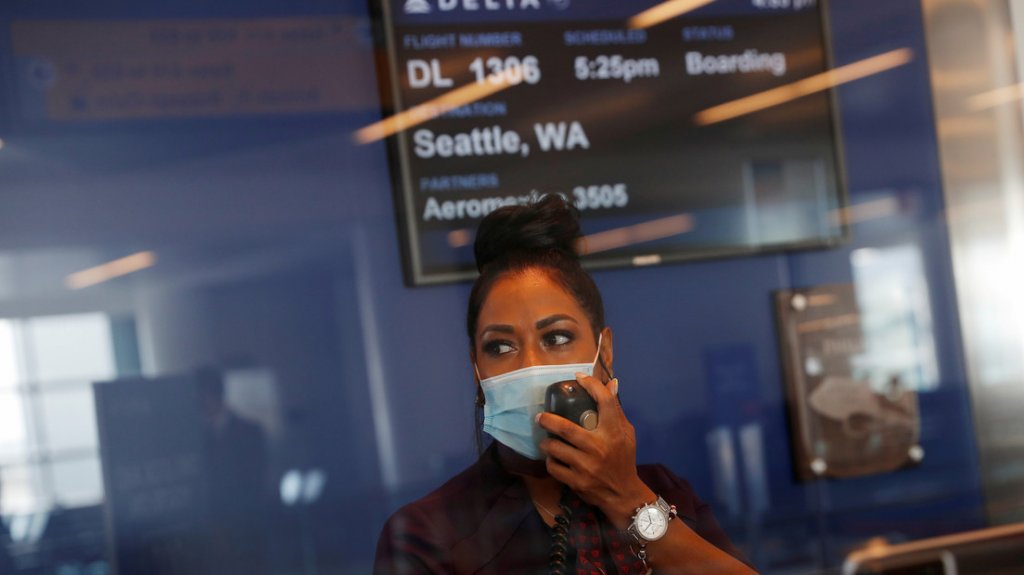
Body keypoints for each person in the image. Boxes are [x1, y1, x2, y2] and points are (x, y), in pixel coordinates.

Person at [374, 195, 756, 574]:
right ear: (477, 371)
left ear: (603, 351)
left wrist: (626, 498)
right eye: (500, 346)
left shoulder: (664, 492)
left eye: (556, 338)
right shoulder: (426, 536)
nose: (530, 365)